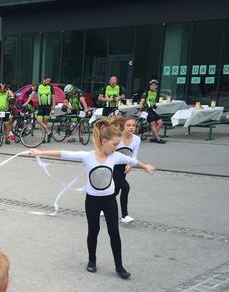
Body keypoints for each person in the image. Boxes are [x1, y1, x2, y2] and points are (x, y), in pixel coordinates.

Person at [29, 117, 156, 279]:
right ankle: (92, 260)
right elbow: (64, 153)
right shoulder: (87, 156)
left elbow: (133, 161)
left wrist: (146, 166)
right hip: (92, 201)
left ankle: (119, 266)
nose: (117, 147)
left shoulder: (115, 156)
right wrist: (40, 152)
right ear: (104, 141)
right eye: (114, 144)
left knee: (114, 232)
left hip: (110, 200)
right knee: (93, 231)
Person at [114, 116, 140, 224]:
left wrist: (130, 164)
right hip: (112, 166)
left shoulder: (137, 139)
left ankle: (101, 206)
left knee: (115, 190)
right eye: (128, 125)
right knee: (125, 187)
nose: (131, 127)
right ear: (123, 126)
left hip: (123, 167)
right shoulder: (117, 138)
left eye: (133, 125)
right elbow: (108, 152)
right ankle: (125, 216)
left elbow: (134, 155)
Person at [140, 79, 166, 144]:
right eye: (151, 85)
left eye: (154, 85)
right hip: (146, 110)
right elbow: (142, 101)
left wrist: (154, 105)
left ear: (156, 86)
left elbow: (152, 101)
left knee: (160, 122)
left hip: (151, 110)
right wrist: (141, 108)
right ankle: (158, 139)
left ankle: (153, 137)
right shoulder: (146, 92)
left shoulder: (155, 92)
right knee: (153, 123)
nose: (153, 86)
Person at [35, 75, 54, 142]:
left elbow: (53, 98)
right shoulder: (39, 86)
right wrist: (26, 102)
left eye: (49, 81)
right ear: (44, 79)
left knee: (45, 122)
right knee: (39, 120)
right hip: (40, 106)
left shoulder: (50, 86)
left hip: (48, 106)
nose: (49, 82)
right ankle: (49, 132)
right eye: (48, 80)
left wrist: (53, 108)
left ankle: (44, 138)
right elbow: (32, 94)